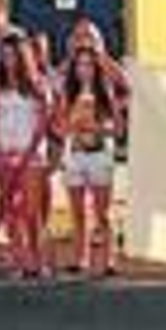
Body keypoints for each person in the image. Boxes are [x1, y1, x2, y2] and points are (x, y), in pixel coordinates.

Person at [0, 34, 52, 279]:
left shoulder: (38, 84)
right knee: (11, 208)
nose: (8, 60)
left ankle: (39, 258)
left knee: (31, 210)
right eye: (4, 55)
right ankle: (20, 259)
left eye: (13, 54)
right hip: (4, 152)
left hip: (31, 153)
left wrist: (29, 152)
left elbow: (42, 122)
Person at [58, 45, 123, 276]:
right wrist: (72, 123)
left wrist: (98, 129)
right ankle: (80, 257)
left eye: (88, 64)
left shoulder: (106, 91)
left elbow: (119, 129)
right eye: (79, 64)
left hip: (100, 155)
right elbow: (59, 127)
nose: (83, 69)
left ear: (96, 67)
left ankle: (110, 259)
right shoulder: (68, 92)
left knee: (103, 211)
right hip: (74, 155)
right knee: (77, 211)